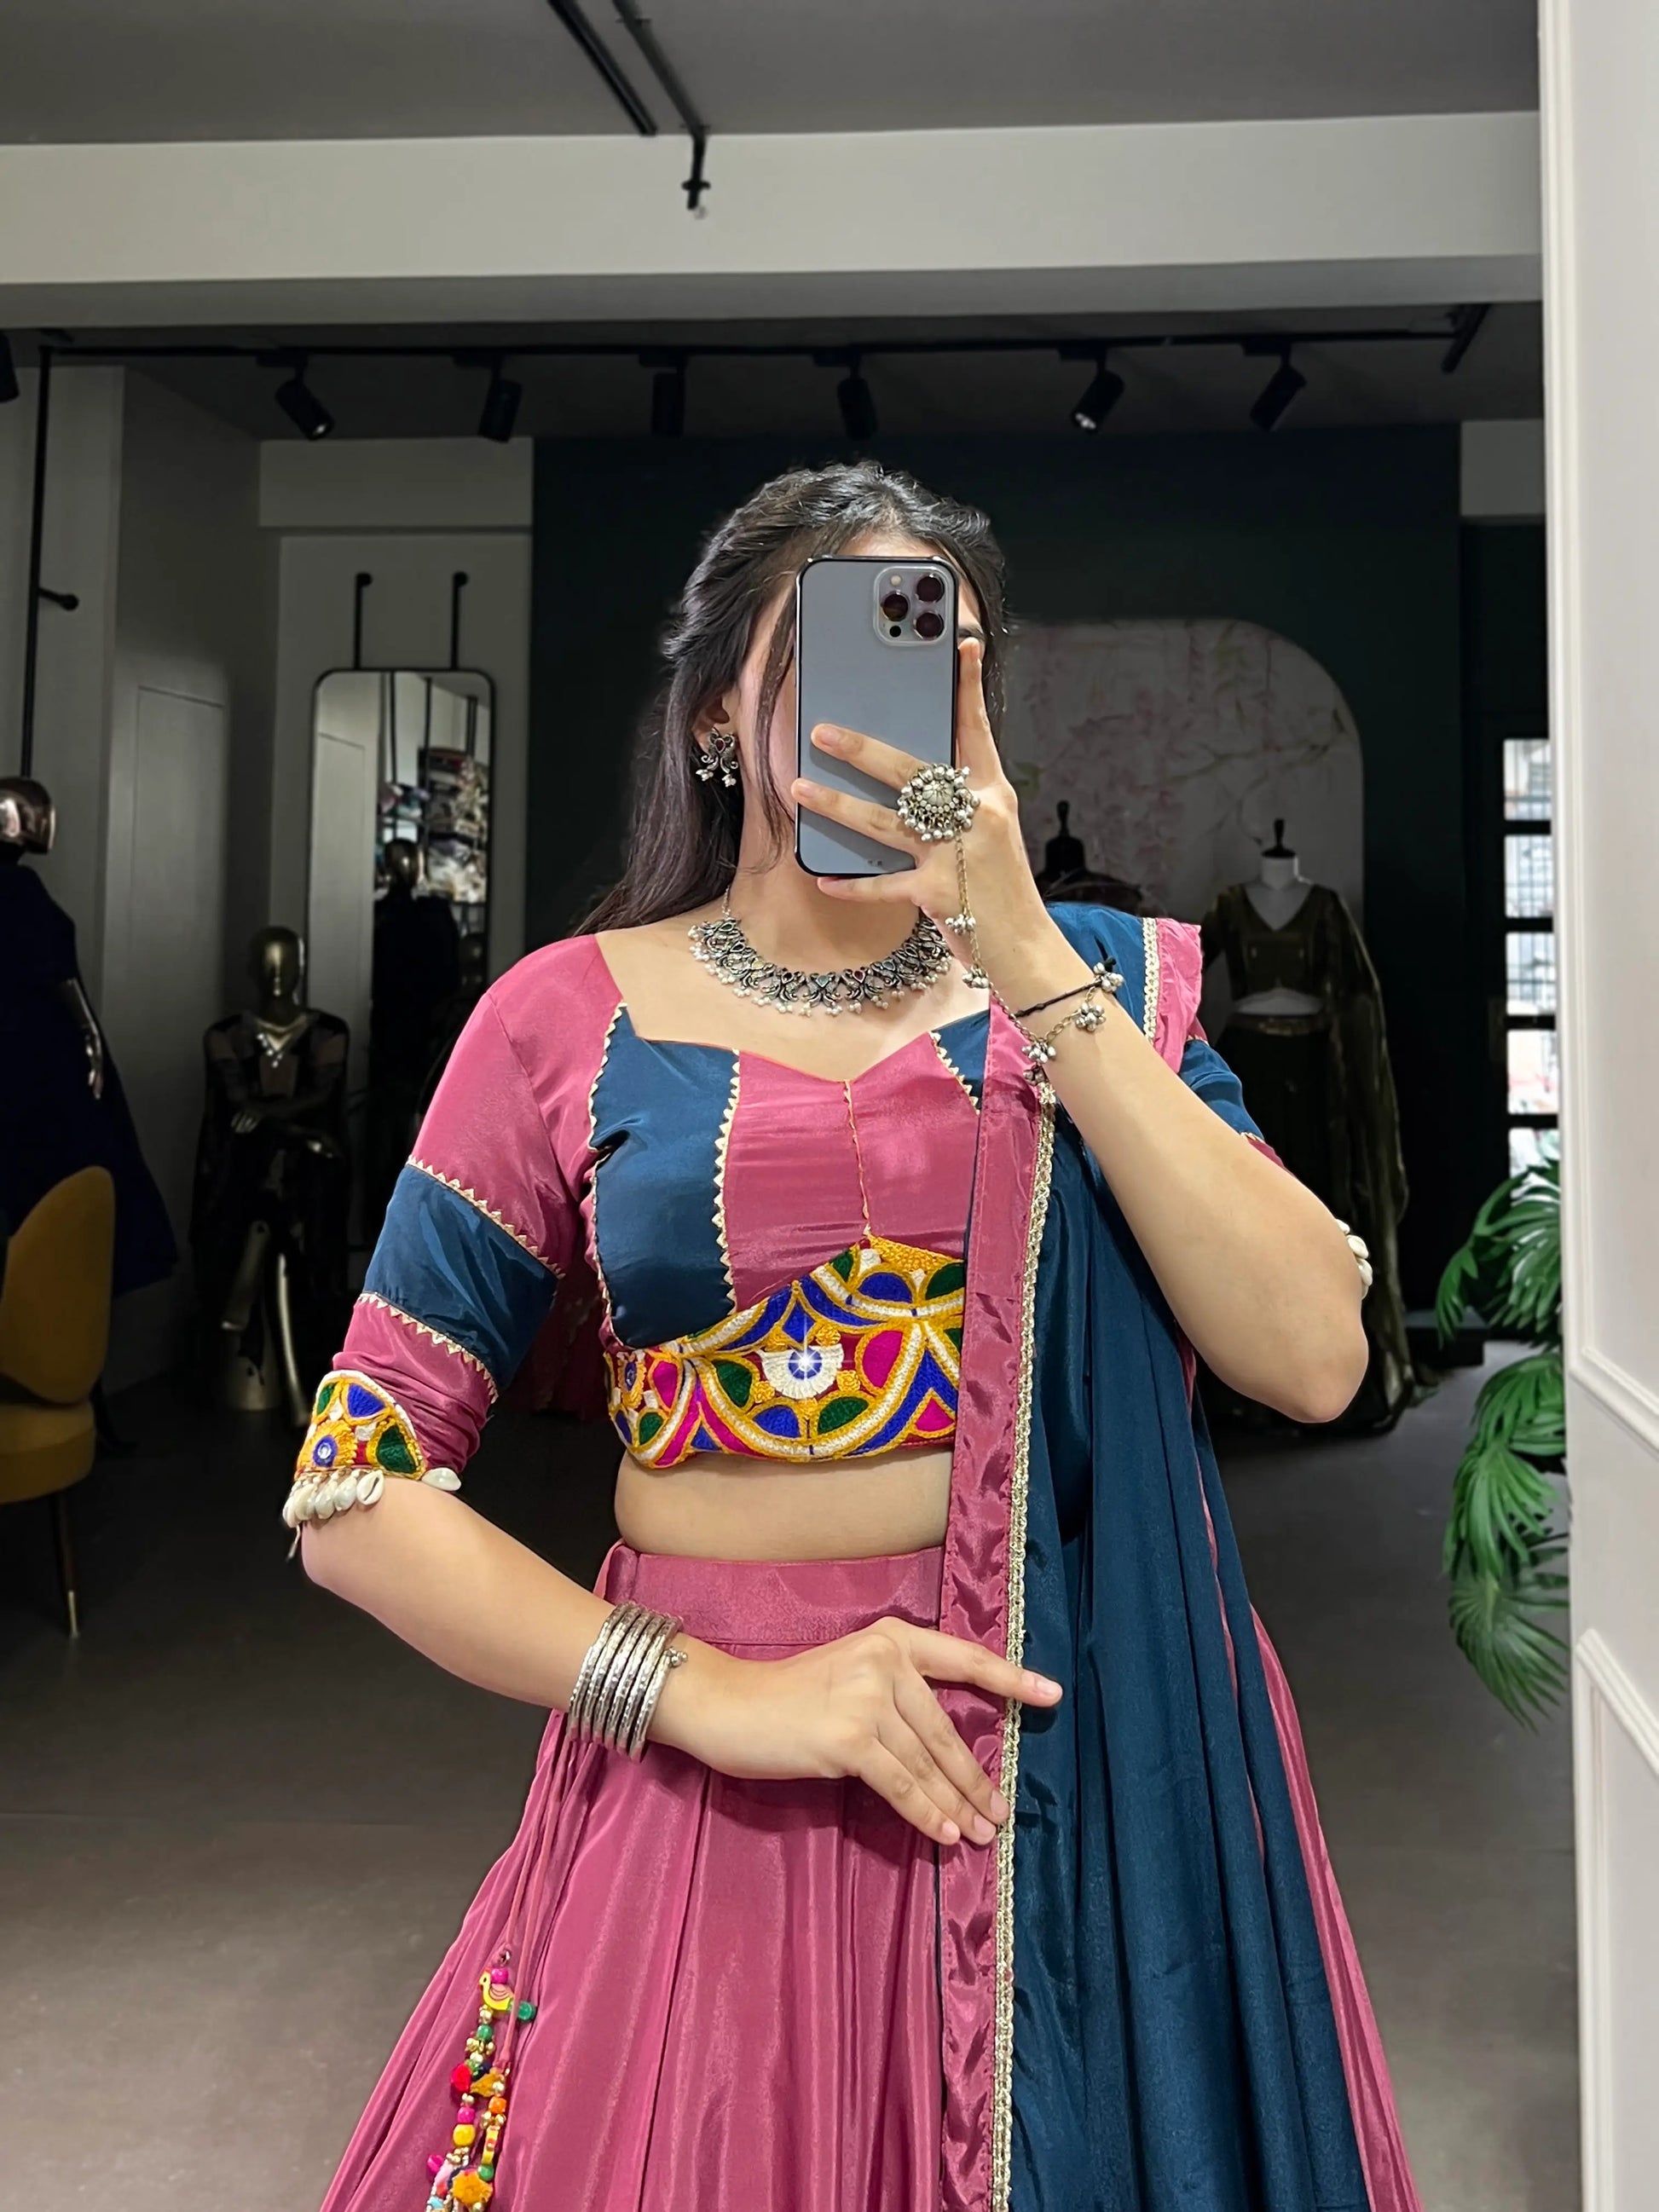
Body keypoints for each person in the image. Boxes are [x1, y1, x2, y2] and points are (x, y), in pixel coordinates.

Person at [293, 464, 1420, 2212]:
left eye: (943, 662)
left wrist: (1023, 951)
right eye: (843, 647)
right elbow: (354, 1492)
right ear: (716, 713)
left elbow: (1312, 1358)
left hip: (1065, 1782)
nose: (896, 707)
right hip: (711, 1796)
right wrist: (716, 1696)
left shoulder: (1102, 988)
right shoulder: (561, 1020)